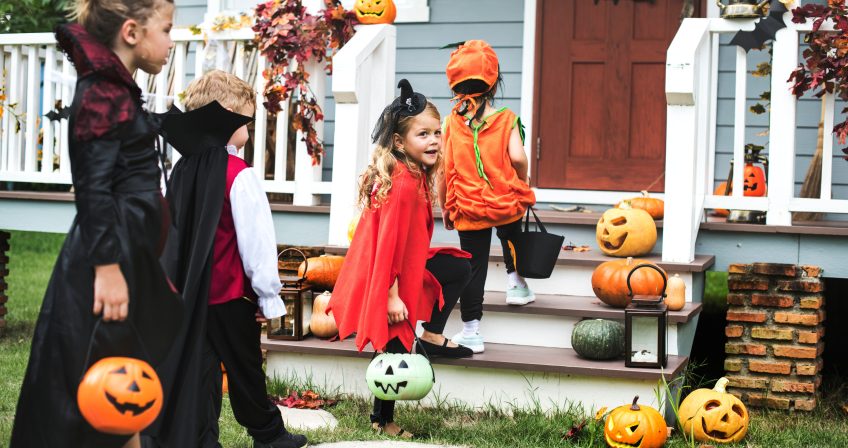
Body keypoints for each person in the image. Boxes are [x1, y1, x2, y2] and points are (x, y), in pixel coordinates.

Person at [11, 1, 184, 447]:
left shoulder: (118, 91)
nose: (170, 41)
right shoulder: (103, 94)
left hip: (129, 253)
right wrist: (107, 269)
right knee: (95, 382)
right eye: (165, 29)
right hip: (108, 257)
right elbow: (92, 188)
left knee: (122, 369)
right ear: (131, 32)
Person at [147, 70, 307, 448]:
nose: (250, 127)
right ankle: (268, 435)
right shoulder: (240, 174)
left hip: (194, 294)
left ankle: (201, 439)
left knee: (200, 372)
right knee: (245, 369)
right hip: (233, 296)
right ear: (229, 115)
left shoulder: (183, 170)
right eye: (247, 119)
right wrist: (269, 298)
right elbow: (256, 242)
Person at [327, 79, 473, 439]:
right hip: (386, 274)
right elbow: (389, 243)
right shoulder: (403, 184)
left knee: (458, 267)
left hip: (405, 265)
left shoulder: (412, 174)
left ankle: (432, 336)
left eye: (437, 133)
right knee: (393, 345)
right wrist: (392, 295)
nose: (434, 141)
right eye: (423, 134)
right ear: (398, 142)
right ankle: (383, 420)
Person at [439, 40, 537, 355]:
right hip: (505, 201)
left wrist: (445, 205)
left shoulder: (451, 122)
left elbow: (443, 169)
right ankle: (516, 284)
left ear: (454, 84)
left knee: (474, 266)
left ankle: (471, 331)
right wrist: (522, 181)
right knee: (512, 237)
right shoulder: (506, 119)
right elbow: (519, 158)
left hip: (467, 206)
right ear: (493, 83)